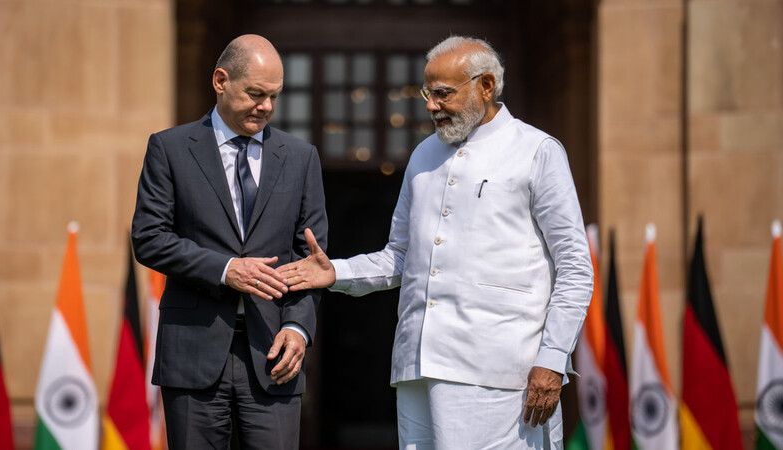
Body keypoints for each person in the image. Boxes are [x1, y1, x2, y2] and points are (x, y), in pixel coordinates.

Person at [278, 36, 593, 449]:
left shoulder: (536, 150)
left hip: (503, 375)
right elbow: (401, 257)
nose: (430, 105)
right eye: (428, 93)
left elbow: (574, 267)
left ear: (486, 86)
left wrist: (552, 358)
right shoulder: (424, 155)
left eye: (443, 93)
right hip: (417, 369)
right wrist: (336, 271)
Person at [131, 34, 327, 449]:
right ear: (220, 80)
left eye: (274, 96)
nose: (267, 107)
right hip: (192, 352)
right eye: (256, 93)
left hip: (274, 355)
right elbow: (149, 238)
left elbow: (311, 262)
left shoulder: (300, 157)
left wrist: (297, 327)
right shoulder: (169, 148)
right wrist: (225, 270)